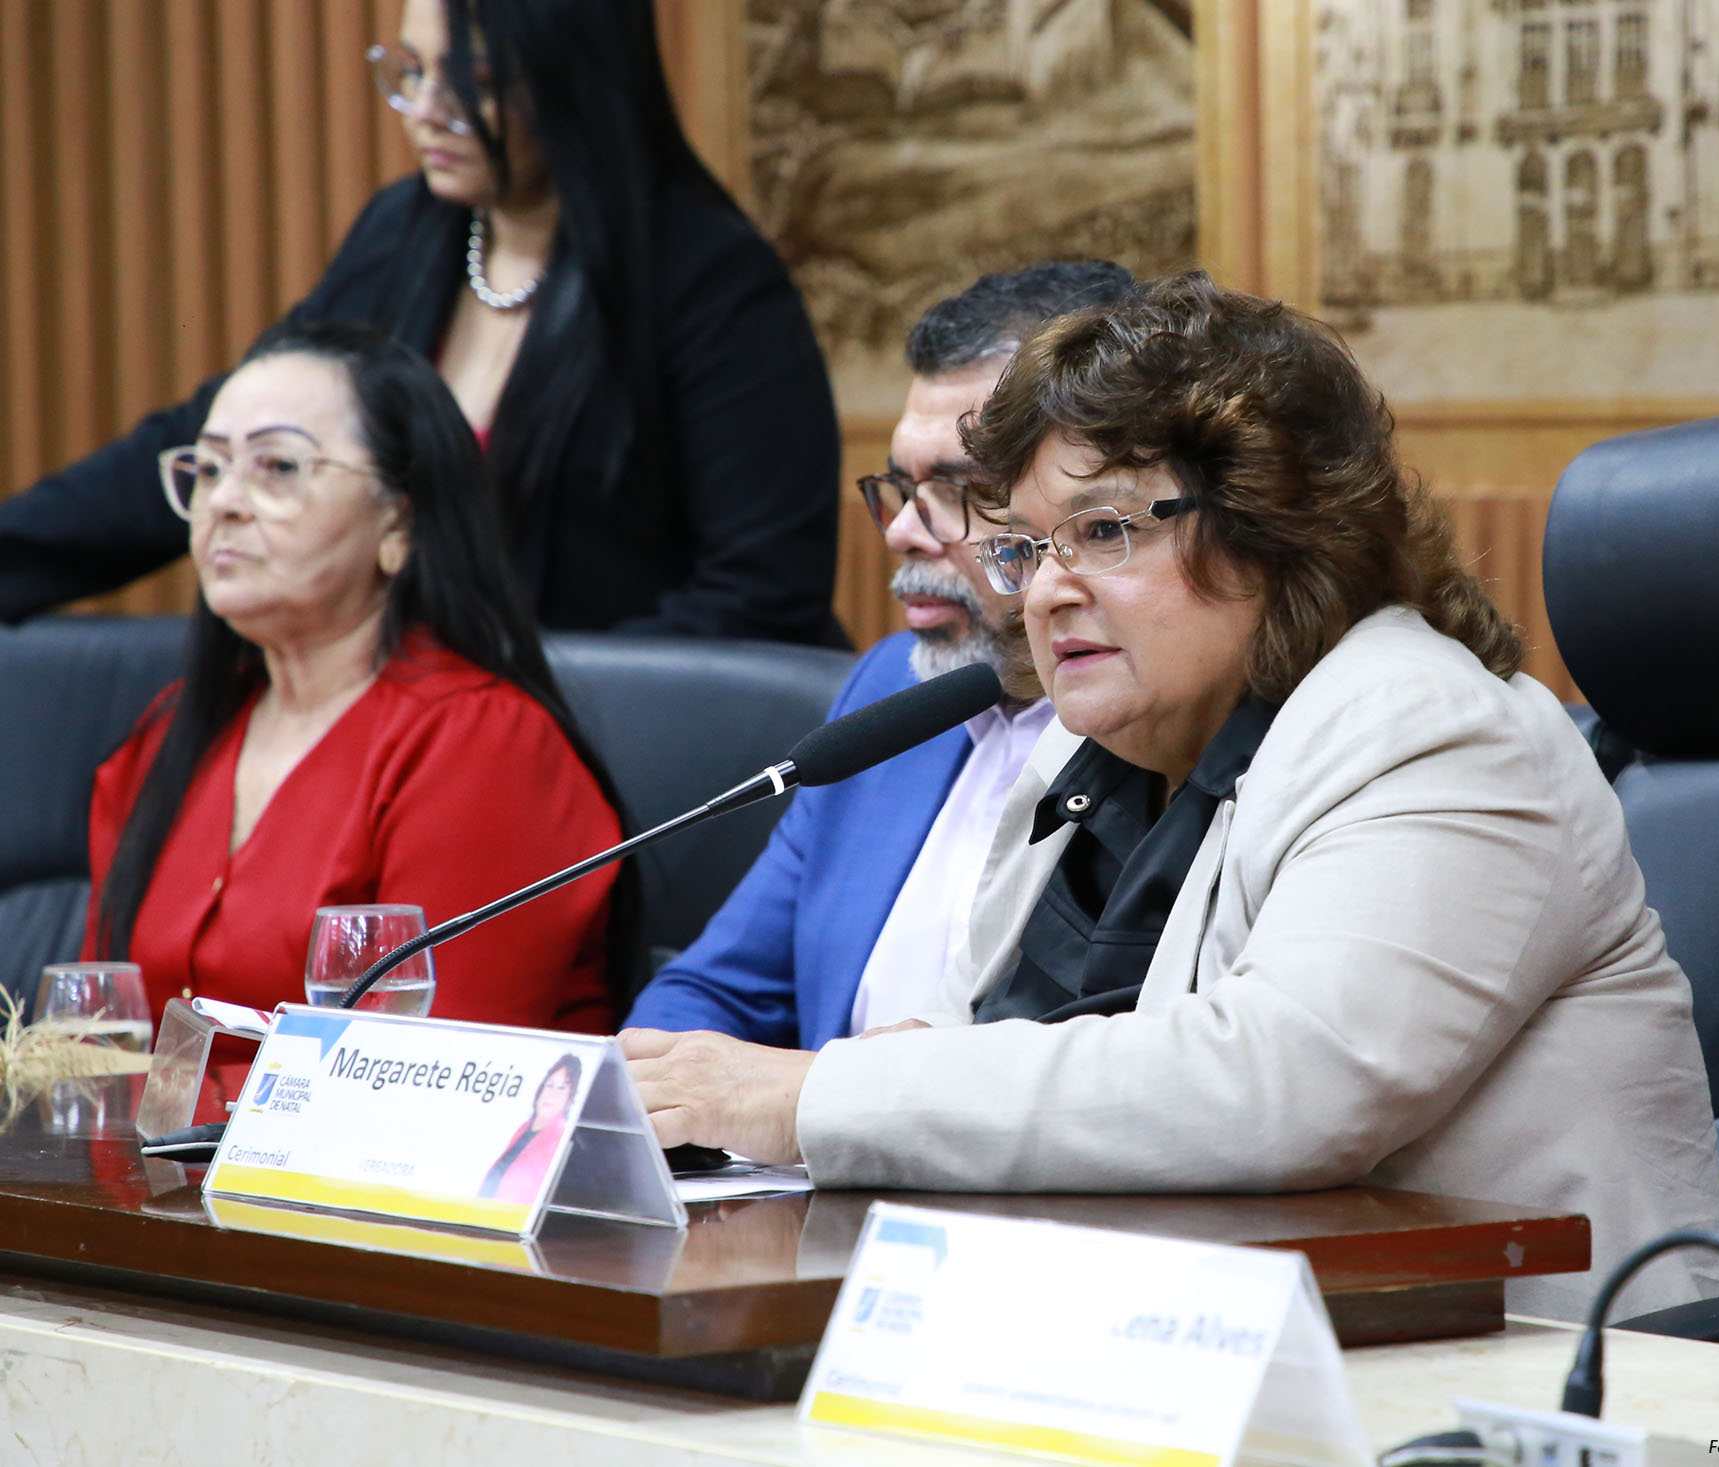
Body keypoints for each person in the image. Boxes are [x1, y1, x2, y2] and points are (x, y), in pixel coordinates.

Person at [622, 273, 1719, 1321]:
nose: (1046, 592)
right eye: (1029, 548)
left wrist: (816, 1097)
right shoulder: (1089, 767)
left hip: (1544, 1375)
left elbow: (1277, 1086)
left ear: (1269, 529)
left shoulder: (1434, 732)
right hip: (1201, 1345)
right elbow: (992, 1053)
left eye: (1103, 532)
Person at [0, 0, 840, 644]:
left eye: (471, 83)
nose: (425, 111)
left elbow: (761, 593)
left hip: (632, 747)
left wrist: (512, 703)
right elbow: (225, 438)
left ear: (573, 79)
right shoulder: (402, 234)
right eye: (409, 71)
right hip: (428, 727)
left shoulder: (712, 283)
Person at [625, 261, 1131, 1047]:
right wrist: (646, 1091)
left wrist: (810, 1096)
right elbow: (717, 987)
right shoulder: (888, 692)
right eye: (899, 485)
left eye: (960, 489)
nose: (901, 531)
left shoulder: (1153, 723)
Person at [83, 320, 631, 1035]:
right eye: (210, 469)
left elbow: (428, 1070)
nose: (224, 502)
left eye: (278, 467)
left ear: (399, 523)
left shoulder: (483, 744)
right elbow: (99, 1040)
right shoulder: (166, 735)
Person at [479, 1054, 582, 1203]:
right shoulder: (524, 1128)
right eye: (549, 1084)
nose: (552, 1093)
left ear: (569, 1098)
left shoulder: (559, 1138)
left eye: (561, 1088)